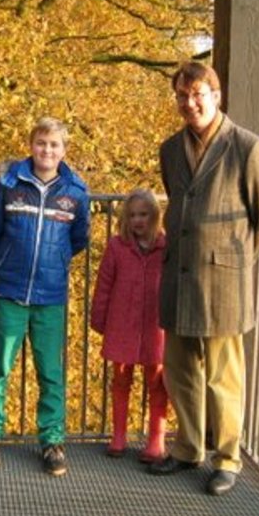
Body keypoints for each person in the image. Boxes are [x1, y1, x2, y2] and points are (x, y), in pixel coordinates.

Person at [148, 62, 259, 496]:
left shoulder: (248, 147)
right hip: (179, 276)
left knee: (224, 376)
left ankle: (226, 458)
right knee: (181, 369)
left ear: (216, 96)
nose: (190, 103)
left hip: (224, 283)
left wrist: (234, 259)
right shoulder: (170, 149)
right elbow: (178, 200)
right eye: (182, 96)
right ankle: (188, 448)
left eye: (198, 94)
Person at [0, 117, 90, 476]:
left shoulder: (75, 192)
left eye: (54, 145)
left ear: (64, 150)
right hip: (9, 291)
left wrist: (57, 260)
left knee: (50, 373)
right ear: (31, 145)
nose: (46, 150)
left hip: (50, 298)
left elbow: (78, 239)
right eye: (41, 143)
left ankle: (52, 441)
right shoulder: (10, 184)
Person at [90, 188, 168, 463]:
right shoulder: (117, 246)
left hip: (155, 324)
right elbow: (104, 285)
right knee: (121, 378)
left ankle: (156, 439)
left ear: (154, 216)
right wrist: (99, 318)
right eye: (132, 215)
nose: (138, 220)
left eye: (143, 214)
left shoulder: (165, 247)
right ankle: (118, 435)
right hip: (122, 321)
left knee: (157, 381)